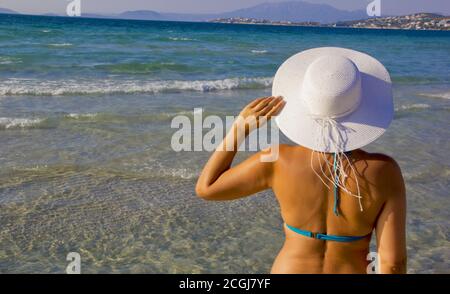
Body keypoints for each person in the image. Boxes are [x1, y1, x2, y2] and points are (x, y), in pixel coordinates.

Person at [195, 47, 406, 274]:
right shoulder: (385, 171)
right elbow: (392, 262)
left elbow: (207, 189)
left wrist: (239, 130)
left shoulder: (277, 161)